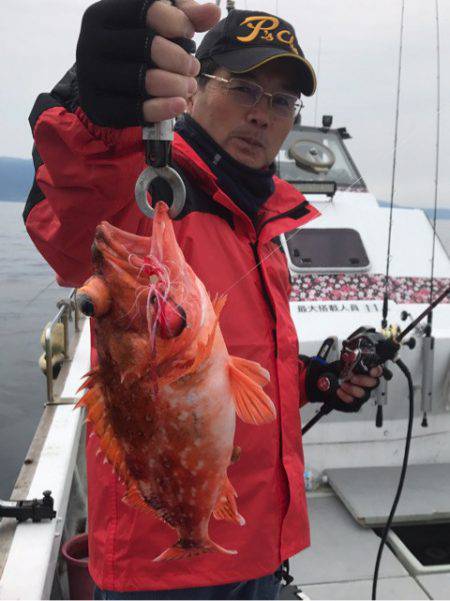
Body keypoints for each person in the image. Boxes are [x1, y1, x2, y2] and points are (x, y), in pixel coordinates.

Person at [24, 1, 382, 599]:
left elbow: (231, 374)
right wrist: (94, 97)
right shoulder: (144, 195)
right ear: (189, 88)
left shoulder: (264, 223)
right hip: (164, 572)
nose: (261, 115)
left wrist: (315, 381)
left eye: (282, 101)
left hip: (261, 541)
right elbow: (74, 200)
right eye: (243, 88)